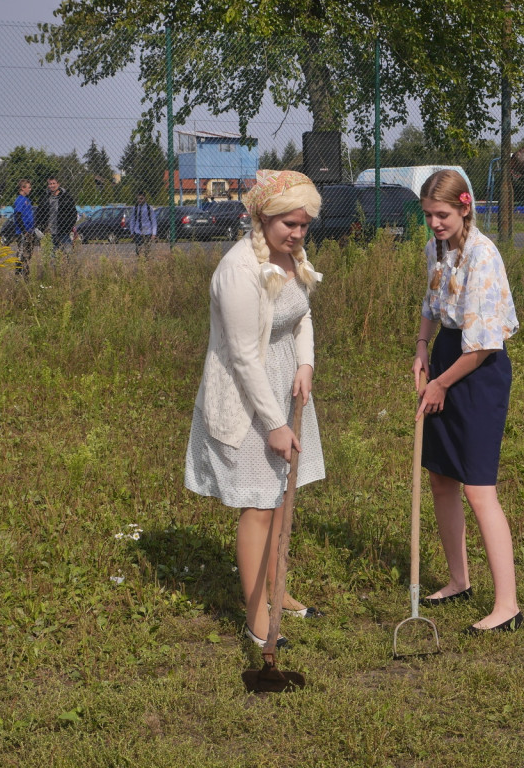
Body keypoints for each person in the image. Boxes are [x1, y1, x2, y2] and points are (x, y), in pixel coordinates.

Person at [184, 169, 326, 648]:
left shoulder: (291, 257)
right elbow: (244, 357)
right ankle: (255, 616)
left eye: (304, 224)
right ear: (262, 217)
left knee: (283, 495)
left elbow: (302, 314)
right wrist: (274, 424)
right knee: (260, 504)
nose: (298, 233)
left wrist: (305, 364)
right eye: (289, 223)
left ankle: (277, 589)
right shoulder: (239, 270)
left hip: (285, 383)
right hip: (249, 400)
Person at [413, 169, 522, 634]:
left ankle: (508, 606)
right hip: (445, 360)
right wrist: (421, 347)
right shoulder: (439, 250)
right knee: (441, 478)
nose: (435, 223)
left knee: (478, 489)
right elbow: (431, 302)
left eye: (442, 215)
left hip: (477, 373)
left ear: (464, 207)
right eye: (429, 216)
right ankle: (459, 580)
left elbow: (482, 347)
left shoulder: (483, 256)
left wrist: (440, 384)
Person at [42, 176, 78, 252]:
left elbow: (73, 213)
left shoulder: (66, 197)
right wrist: (42, 226)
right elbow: (40, 212)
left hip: (63, 231)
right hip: (50, 231)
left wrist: (69, 226)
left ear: (58, 184)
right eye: (50, 184)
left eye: (54, 183)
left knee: (67, 252)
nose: (52, 185)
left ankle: (67, 264)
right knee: (52, 253)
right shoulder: (45, 198)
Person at [12, 179, 35, 277]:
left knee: (27, 255)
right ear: (23, 188)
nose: (30, 189)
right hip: (23, 232)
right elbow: (18, 215)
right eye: (28, 187)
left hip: (29, 231)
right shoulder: (20, 200)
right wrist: (24, 231)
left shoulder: (27, 200)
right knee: (22, 255)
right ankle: (19, 276)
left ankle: (26, 274)